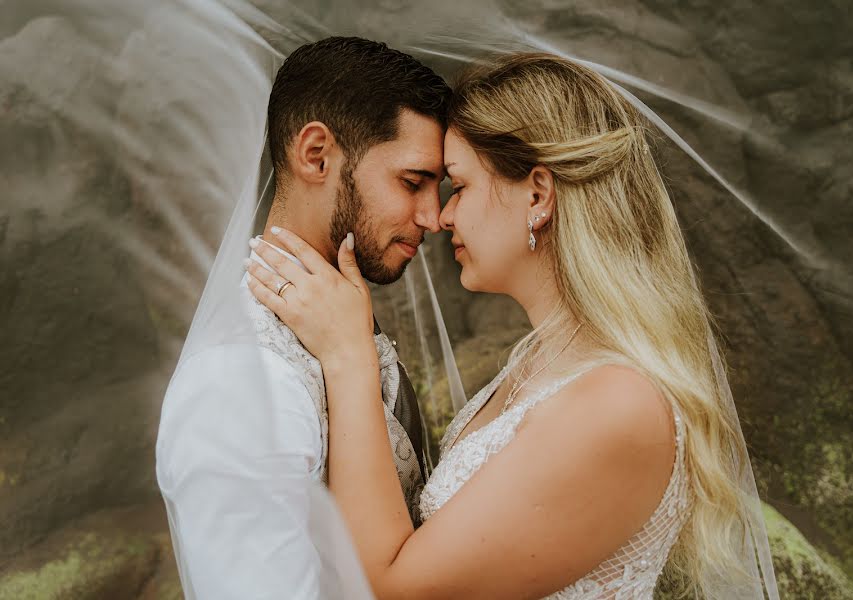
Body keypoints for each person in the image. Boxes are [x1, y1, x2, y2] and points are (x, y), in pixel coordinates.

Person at [248, 53, 779, 599]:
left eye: (460, 186)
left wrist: (348, 357)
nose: (442, 217)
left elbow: (392, 589)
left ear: (538, 195)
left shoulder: (619, 405)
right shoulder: (541, 363)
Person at [155, 36, 451, 599]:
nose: (433, 216)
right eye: (412, 182)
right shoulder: (237, 381)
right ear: (316, 154)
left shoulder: (340, 320)